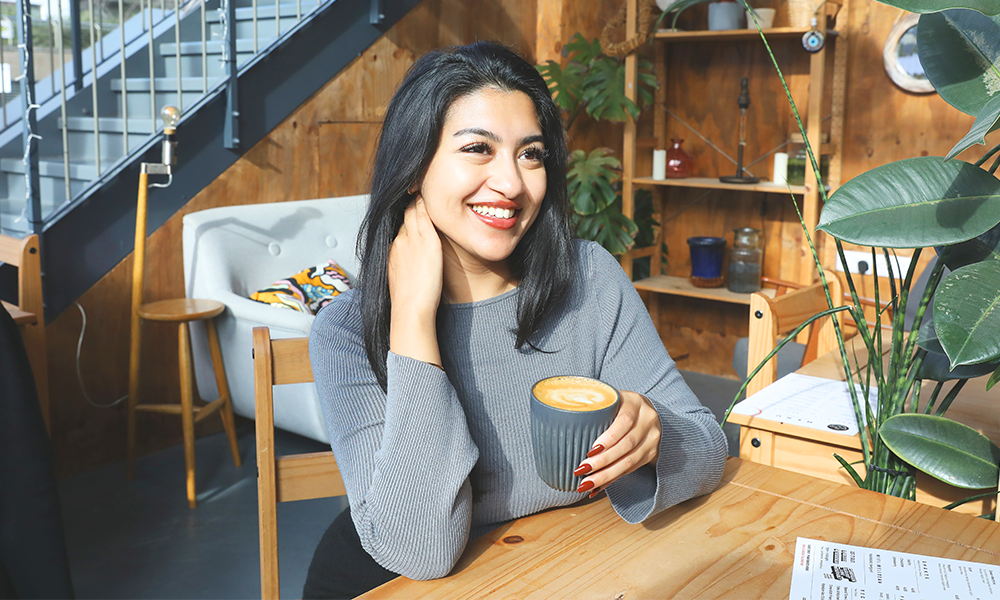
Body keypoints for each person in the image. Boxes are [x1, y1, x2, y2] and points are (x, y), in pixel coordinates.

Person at [306, 41, 727, 599]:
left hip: (560, 570)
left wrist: (656, 433)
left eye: (531, 154)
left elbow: (708, 446)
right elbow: (418, 550)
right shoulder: (346, 333)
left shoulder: (589, 279)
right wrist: (413, 321)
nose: (511, 183)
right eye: (478, 148)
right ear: (413, 169)